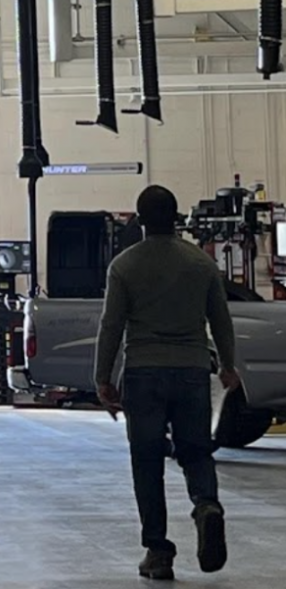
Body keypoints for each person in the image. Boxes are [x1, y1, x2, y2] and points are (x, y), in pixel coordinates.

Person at [94, 185, 237, 580]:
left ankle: (158, 552)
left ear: (139, 220)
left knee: (147, 461)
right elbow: (220, 319)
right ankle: (206, 504)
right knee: (196, 451)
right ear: (176, 218)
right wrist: (228, 364)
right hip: (192, 370)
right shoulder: (200, 264)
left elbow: (112, 325)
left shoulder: (124, 266)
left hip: (143, 373)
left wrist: (102, 378)